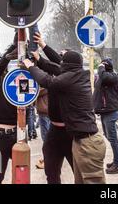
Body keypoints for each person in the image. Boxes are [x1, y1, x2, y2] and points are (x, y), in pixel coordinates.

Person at [23, 51, 106, 184]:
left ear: (67, 64)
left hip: (80, 138)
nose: (59, 62)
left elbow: (47, 80)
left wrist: (31, 67)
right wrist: (43, 51)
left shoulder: (67, 79)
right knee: (55, 173)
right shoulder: (76, 75)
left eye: (62, 59)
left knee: (88, 179)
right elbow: (56, 67)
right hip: (60, 132)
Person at [0, 38, 19, 184]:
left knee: (21, 172)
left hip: (16, 136)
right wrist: (7, 56)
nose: (3, 69)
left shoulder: (12, 85)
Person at [93, 58, 118, 174]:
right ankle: (116, 160)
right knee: (109, 136)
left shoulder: (112, 76)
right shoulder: (103, 77)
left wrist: (101, 67)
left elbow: (104, 77)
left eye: (102, 66)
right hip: (104, 111)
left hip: (111, 112)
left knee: (113, 138)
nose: (100, 68)